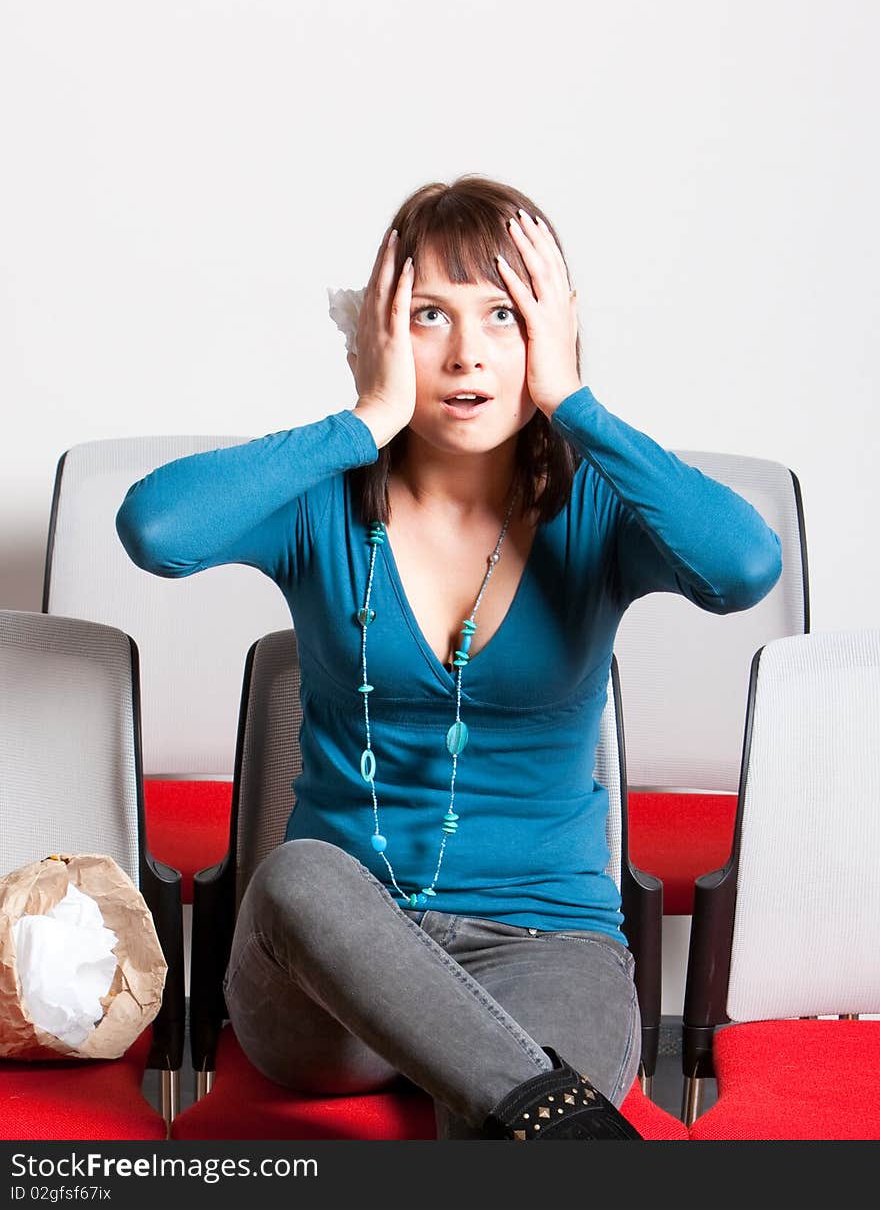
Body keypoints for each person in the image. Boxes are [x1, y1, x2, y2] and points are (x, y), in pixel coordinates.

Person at [116, 175, 782, 1140]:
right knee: (299, 873)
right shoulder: (323, 500)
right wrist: (364, 418)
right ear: (380, 331)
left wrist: (576, 402)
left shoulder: (595, 509)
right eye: (429, 315)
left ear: (549, 334)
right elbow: (155, 528)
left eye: (504, 317)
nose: (468, 354)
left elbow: (745, 567)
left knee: (510, 1120)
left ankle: (524, 1108)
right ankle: (541, 1110)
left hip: (546, 951)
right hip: (334, 976)